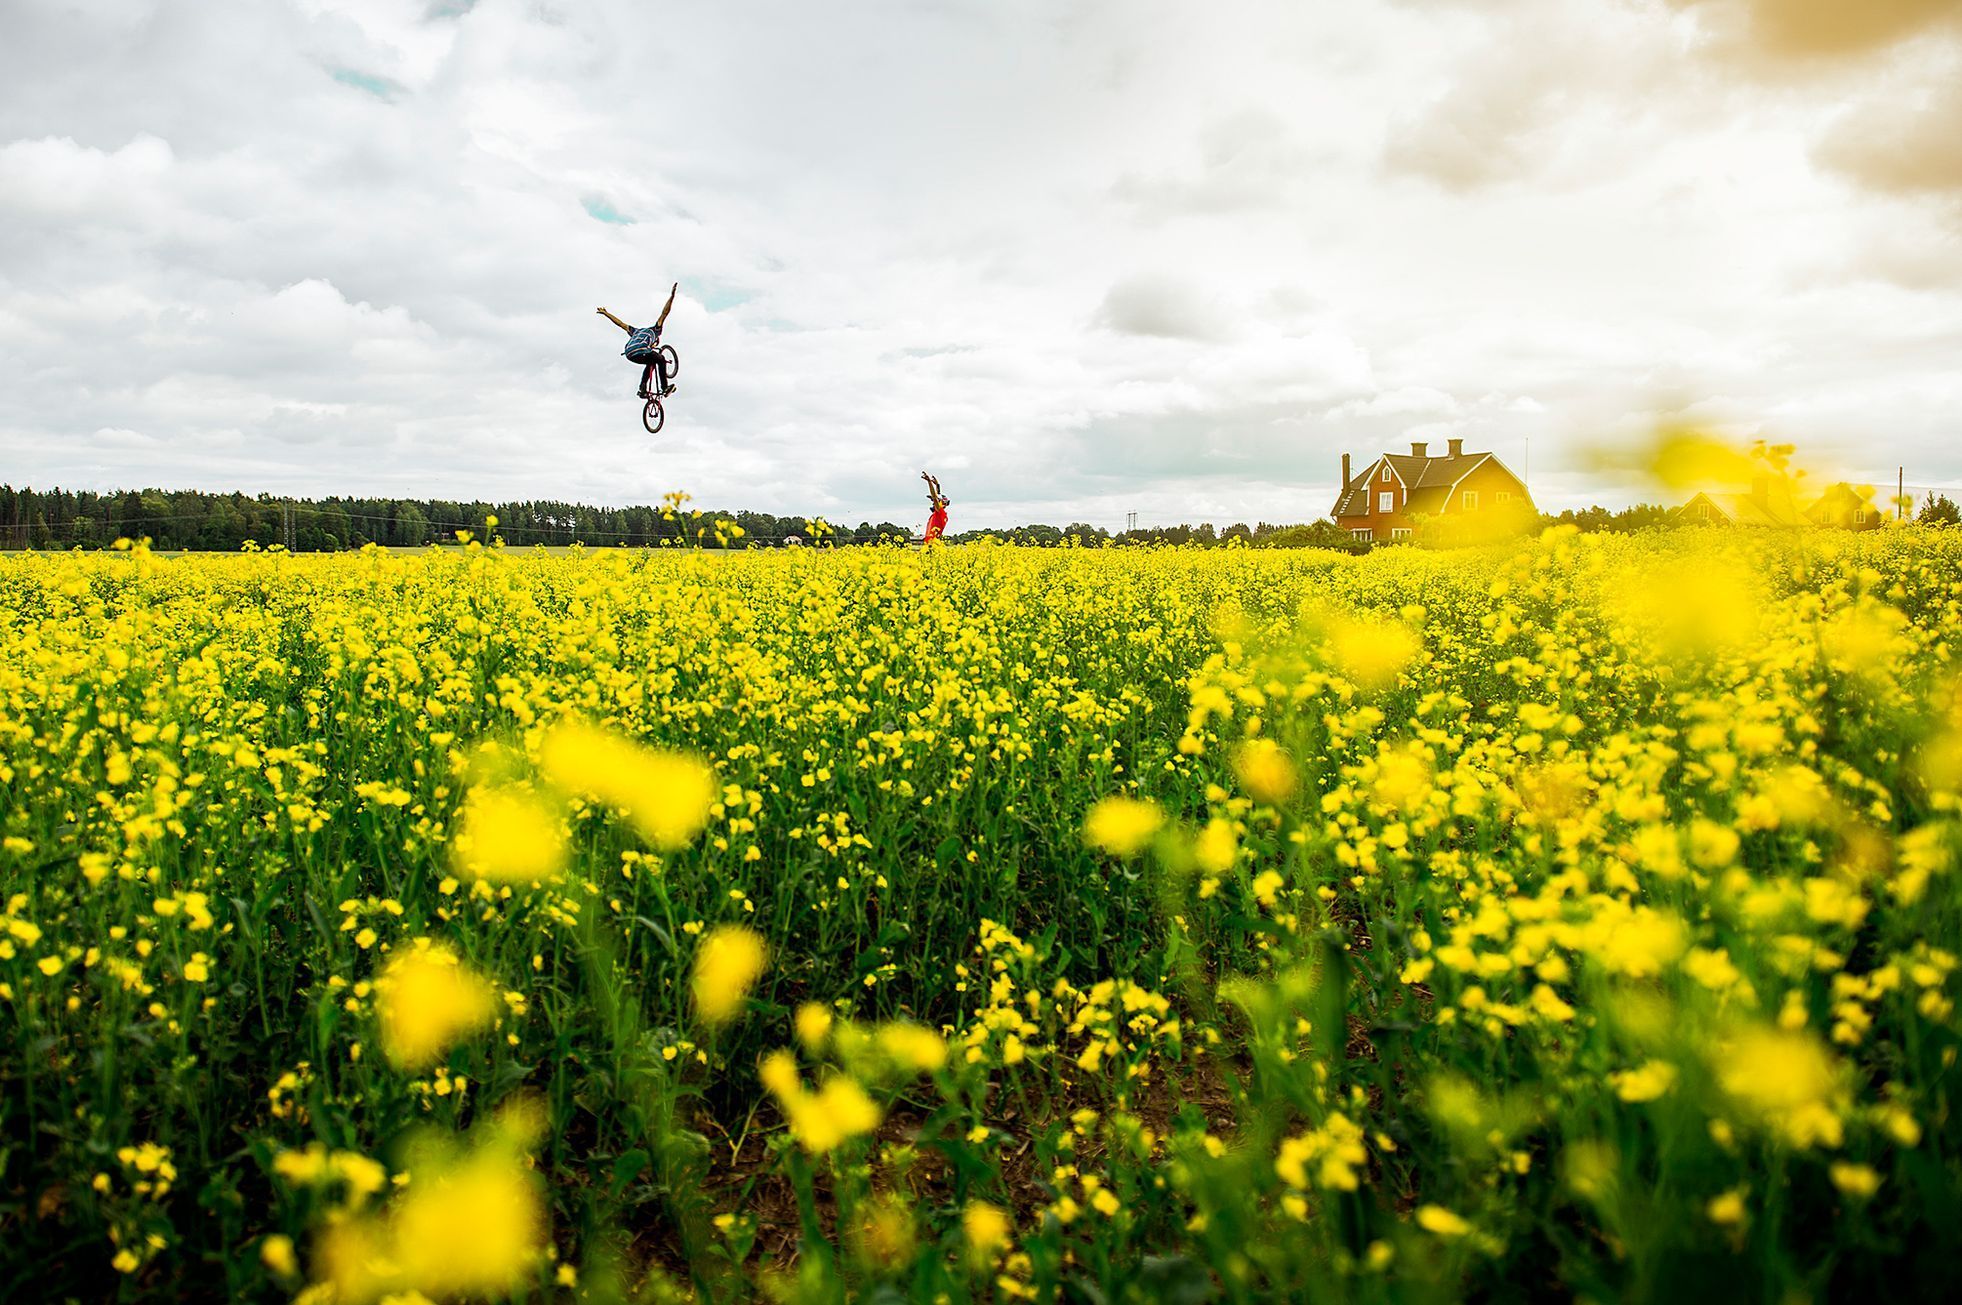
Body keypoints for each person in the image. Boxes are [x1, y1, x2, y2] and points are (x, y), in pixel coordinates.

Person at [597, 283, 678, 399]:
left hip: (629, 353)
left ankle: (642, 389)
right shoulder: (655, 330)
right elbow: (664, 313)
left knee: (651, 362)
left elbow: (620, 324)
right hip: (640, 350)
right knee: (661, 360)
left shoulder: (635, 331)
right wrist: (672, 296)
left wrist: (606, 313)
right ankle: (665, 388)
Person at [920, 472, 950, 544]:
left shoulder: (940, 512)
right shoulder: (941, 513)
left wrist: (929, 482)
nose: (933, 503)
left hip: (933, 544)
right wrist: (937, 485)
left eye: (934, 502)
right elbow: (937, 497)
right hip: (932, 543)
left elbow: (935, 497)